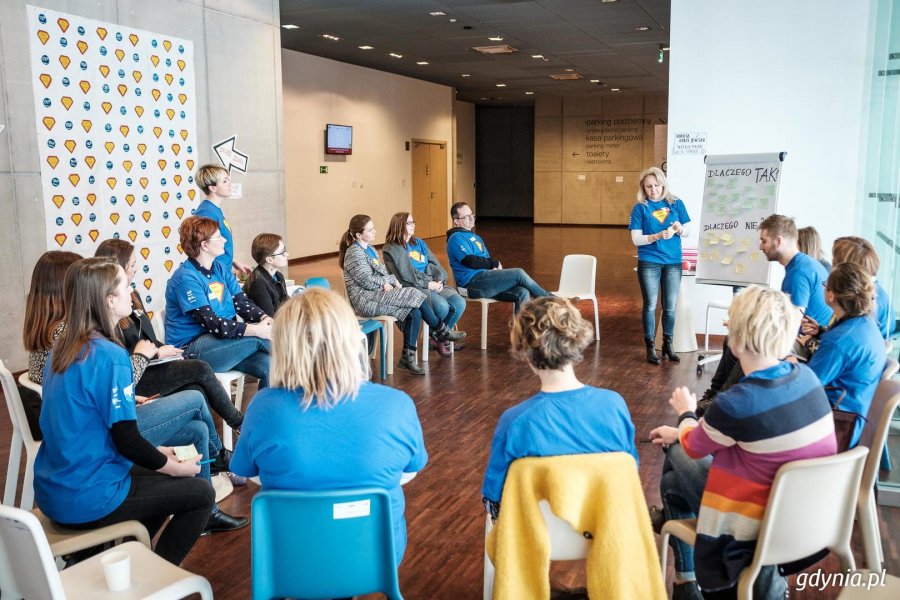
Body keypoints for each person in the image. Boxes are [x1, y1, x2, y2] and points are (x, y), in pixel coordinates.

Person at [649, 285, 836, 599]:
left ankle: (688, 580)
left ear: (734, 339)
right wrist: (685, 431)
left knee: (677, 457)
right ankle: (685, 581)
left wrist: (685, 414)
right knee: (672, 479)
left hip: (758, 526)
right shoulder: (806, 378)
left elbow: (694, 446)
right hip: (810, 518)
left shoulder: (736, 402)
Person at [33, 257, 216, 565]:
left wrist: (158, 452)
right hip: (88, 496)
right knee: (200, 494)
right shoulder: (110, 355)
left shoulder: (62, 349)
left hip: (54, 489)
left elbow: (97, 429)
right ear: (109, 299)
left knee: (162, 478)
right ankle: (154, 577)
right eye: (127, 285)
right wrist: (173, 467)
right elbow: (126, 439)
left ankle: (119, 559)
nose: (132, 292)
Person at [230, 288, 427, 563]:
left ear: (284, 346)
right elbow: (408, 472)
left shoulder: (263, 407)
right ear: (350, 339)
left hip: (290, 558)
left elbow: (253, 475)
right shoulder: (396, 404)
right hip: (375, 555)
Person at [481, 296, 637, 519]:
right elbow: (629, 472)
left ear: (525, 351)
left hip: (537, 537)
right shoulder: (614, 406)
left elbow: (493, 498)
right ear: (577, 340)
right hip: (605, 530)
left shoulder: (514, 421)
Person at [95, 238, 244, 432]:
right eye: (132, 265)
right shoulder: (105, 314)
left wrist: (164, 350)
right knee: (200, 368)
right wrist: (156, 353)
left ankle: (216, 456)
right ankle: (239, 423)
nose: (135, 269)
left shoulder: (133, 296)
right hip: (137, 377)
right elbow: (121, 360)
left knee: (196, 389)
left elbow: (145, 336)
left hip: (151, 366)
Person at [697, 214, 833, 413]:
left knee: (747, 342)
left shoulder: (798, 273)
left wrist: (753, 330)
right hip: (811, 337)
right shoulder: (803, 264)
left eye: (763, 240)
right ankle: (716, 395)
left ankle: (721, 403)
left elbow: (791, 323)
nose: (760, 246)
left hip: (808, 344)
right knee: (732, 339)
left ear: (778, 241)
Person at [339, 214, 466, 375]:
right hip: (365, 299)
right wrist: (386, 282)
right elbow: (366, 281)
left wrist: (388, 281)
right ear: (358, 235)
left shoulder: (370, 249)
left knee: (415, 311)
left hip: (377, 294)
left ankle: (408, 357)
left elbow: (383, 273)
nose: (375, 232)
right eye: (370, 230)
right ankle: (440, 330)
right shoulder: (354, 253)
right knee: (413, 293)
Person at [164, 216, 272, 387]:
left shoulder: (220, 267)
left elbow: (242, 303)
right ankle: (311, 365)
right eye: (218, 237)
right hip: (193, 350)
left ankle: (265, 413)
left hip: (223, 340)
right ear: (204, 245)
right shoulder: (186, 278)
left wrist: (264, 318)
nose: (224, 240)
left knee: (272, 367)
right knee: (263, 338)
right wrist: (258, 330)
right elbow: (212, 323)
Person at [804, 262, 886, 448]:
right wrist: (821, 332)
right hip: (856, 417)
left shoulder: (838, 342)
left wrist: (790, 364)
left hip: (836, 429)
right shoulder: (866, 324)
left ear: (831, 295)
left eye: (825, 285)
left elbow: (806, 387)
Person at [629, 167, 691, 365]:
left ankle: (668, 345)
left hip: (673, 261)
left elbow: (688, 230)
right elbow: (636, 239)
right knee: (650, 305)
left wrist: (680, 229)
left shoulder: (676, 203)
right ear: (643, 188)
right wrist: (656, 236)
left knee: (670, 307)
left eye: (656, 185)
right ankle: (650, 347)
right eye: (648, 186)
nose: (653, 190)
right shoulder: (640, 208)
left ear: (663, 184)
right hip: (649, 261)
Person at [383, 211, 466, 357]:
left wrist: (439, 279)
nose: (413, 225)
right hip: (414, 287)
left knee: (459, 302)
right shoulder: (392, 249)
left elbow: (434, 263)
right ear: (399, 225)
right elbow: (405, 276)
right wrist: (428, 284)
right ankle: (441, 336)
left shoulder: (419, 242)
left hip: (431, 282)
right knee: (442, 306)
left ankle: (437, 338)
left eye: (413, 222)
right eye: (409, 223)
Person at [446, 201, 552, 313]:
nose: (471, 218)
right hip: (472, 284)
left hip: (485, 280)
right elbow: (470, 260)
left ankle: (520, 330)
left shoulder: (475, 237)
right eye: (466, 217)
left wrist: (492, 268)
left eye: (472, 214)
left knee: (522, 292)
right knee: (518, 273)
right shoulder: (455, 238)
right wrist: (493, 263)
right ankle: (550, 300)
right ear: (456, 221)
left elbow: (484, 260)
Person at [804, 236, 891, 339]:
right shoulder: (863, 292)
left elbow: (845, 341)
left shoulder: (870, 300)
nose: (832, 268)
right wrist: (821, 331)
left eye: (834, 263)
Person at [193, 164, 252, 276]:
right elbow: (205, 250)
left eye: (229, 180)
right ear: (212, 187)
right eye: (225, 181)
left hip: (223, 270)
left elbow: (219, 243)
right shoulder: (206, 212)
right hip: (215, 274)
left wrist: (234, 261)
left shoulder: (214, 209)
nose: (230, 184)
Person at [244, 233, 290, 317]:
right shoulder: (258, 283)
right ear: (270, 259)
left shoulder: (278, 275)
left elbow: (285, 304)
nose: (287, 254)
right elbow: (270, 318)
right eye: (282, 252)